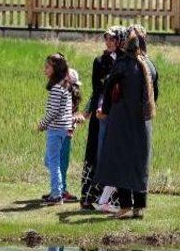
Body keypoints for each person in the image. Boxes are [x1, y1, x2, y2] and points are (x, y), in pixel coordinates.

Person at [96, 28, 157, 219]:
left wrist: (105, 111)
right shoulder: (150, 65)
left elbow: (107, 88)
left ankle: (124, 206)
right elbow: (156, 94)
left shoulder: (123, 64)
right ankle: (139, 207)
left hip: (121, 120)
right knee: (138, 162)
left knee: (120, 161)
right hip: (142, 122)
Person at [80, 27, 122, 212]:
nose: (109, 43)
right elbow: (97, 90)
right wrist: (88, 111)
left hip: (118, 115)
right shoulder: (99, 61)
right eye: (107, 39)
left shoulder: (125, 61)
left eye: (113, 39)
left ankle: (112, 199)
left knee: (115, 155)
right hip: (100, 115)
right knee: (96, 154)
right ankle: (89, 198)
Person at [37, 53, 73, 205]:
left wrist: (42, 124)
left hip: (56, 129)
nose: (44, 70)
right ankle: (56, 190)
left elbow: (53, 112)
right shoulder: (64, 85)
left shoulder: (56, 88)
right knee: (51, 161)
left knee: (53, 162)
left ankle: (57, 194)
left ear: (55, 69)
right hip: (63, 129)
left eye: (47, 67)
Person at [57, 67, 83, 204]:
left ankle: (58, 189)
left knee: (58, 162)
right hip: (65, 134)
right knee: (62, 163)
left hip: (62, 133)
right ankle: (61, 190)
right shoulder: (69, 97)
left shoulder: (63, 95)